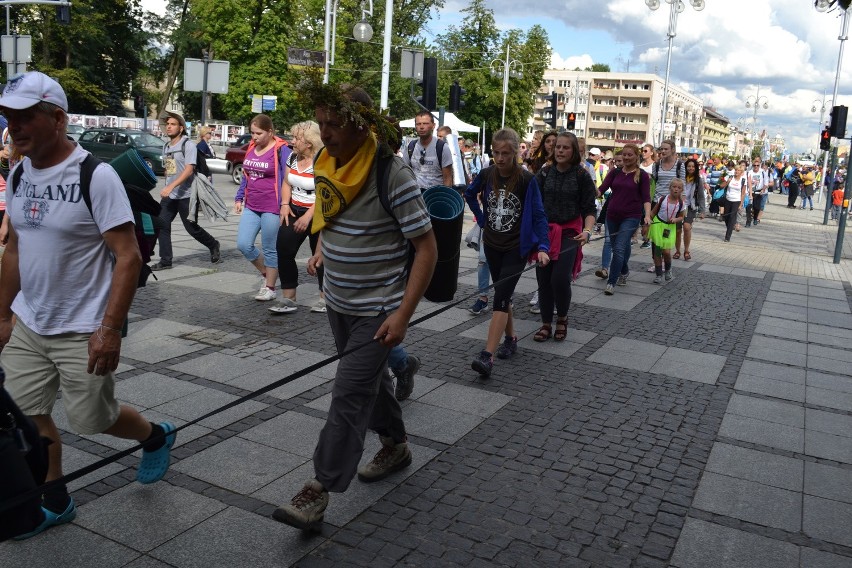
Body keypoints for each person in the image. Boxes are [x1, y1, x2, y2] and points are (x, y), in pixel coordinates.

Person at [0, 72, 176, 539]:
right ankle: (55, 500)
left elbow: (128, 255)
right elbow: (15, 247)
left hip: (83, 327)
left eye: (24, 117)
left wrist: (110, 329)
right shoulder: (18, 173)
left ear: (57, 119)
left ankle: (155, 434)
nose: (13, 128)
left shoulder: (93, 176)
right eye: (8, 118)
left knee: (93, 421)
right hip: (31, 323)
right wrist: (2, 313)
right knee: (27, 410)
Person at [272, 85, 437, 532]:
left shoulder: (391, 173)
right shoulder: (328, 164)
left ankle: (318, 490)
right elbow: (330, 212)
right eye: (320, 123)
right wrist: (324, 248)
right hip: (337, 302)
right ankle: (397, 445)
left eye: (334, 124)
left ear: (361, 124)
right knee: (369, 383)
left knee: (347, 392)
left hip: (378, 310)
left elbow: (426, 248)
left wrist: (402, 314)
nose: (325, 133)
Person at [464, 128, 550, 377]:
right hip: (492, 244)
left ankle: (487, 356)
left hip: (515, 247)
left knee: (500, 296)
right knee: (505, 293)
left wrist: (543, 247)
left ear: (515, 153)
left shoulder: (526, 180)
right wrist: (481, 218)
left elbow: (539, 215)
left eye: (505, 153)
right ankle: (511, 338)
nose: (500, 158)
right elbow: (470, 194)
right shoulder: (487, 173)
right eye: (496, 153)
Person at [532, 132, 596, 342]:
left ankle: (562, 318)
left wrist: (587, 231)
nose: (560, 150)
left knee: (559, 279)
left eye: (565, 147)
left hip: (570, 233)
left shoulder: (581, 175)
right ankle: (545, 323)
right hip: (545, 232)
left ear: (574, 151)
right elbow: (535, 204)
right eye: (557, 147)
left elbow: (589, 209)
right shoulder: (544, 173)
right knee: (544, 279)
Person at [150, 111, 221, 270]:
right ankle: (165, 260)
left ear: (181, 128)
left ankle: (213, 244)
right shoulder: (167, 146)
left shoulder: (188, 145)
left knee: (191, 229)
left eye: (173, 124)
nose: (169, 127)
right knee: (162, 225)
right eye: (167, 124)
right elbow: (170, 168)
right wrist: (167, 183)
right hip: (170, 195)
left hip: (187, 195)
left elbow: (189, 170)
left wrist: (171, 185)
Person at [234, 114, 292, 301]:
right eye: (252, 133)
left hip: (272, 207)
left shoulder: (282, 150)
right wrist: (239, 196)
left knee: (269, 248)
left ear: (270, 132)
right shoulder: (251, 147)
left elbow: (288, 179)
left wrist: (285, 204)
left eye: (258, 133)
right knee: (244, 244)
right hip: (252, 205)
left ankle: (270, 287)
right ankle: (267, 272)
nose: (254, 137)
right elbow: (246, 175)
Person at [270, 120, 324, 313]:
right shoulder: (292, 157)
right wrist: (285, 205)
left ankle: (324, 298)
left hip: (318, 213)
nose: (291, 141)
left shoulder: (321, 160)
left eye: (296, 138)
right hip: (294, 209)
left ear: (309, 142)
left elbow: (324, 193)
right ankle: (288, 297)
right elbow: (287, 183)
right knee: (283, 248)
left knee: (320, 256)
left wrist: (309, 216)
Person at [600, 144, 651, 295]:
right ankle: (625, 270)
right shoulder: (615, 173)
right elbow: (601, 189)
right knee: (621, 246)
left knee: (618, 248)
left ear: (636, 156)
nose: (627, 157)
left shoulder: (642, 175)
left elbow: (646, 198)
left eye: (630, 155)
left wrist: (647, 215)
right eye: (625, 155)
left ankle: (611, 282)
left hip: (631, 216)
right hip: (612, 215)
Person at [649, 178, 686, 284]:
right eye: (674, 187)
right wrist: (647, 222)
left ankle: (668, 269)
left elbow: (681, 217)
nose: (676, 189)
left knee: (666, 251)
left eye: (679, 188)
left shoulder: (681, 203)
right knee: (657, 251)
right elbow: (653, 212)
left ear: (681, 190)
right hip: (657, 225)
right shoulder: (663, 199)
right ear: (670, 188)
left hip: (669, 228)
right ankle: (658, 274)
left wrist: (676, 219)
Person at [403, 110, 453, 188]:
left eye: (425, 123)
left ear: (433, 126)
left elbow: (448, 179)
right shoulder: (410, 147)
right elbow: (404, 175)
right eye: (418, 124)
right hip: (416, 197)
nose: (422, 127)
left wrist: (445, 197)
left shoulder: (442, 147)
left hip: (435, 197)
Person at [673, 158, 705, 261]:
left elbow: (701, 196)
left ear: (696, 168)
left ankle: (686, 251)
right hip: (678, 206)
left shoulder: (698, 180)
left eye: (693, 166)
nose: (691, 168)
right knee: (677, 230)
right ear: (685, 168)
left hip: (690, 207)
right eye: (689, 166)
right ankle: (677, 250)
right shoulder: (680, 178)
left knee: (686, 227)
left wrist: (702, 210)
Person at [718, 160, 747, 242]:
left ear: (741, 172)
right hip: (728, 199)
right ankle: (730, 227)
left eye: (739, 171)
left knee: (732, 217)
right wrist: (727, 182)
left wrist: (740, 204)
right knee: (726, 217)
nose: (737, 172)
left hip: (736, 201)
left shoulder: (743, 180)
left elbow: (743, 193)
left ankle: (728, 236)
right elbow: (721, 186)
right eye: (736, 170)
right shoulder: (730, 177)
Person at [746, 157, 768, 227]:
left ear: (759, 165)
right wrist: (749, 193)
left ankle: (755, 218)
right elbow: (748, 182)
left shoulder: (762, 172)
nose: (756, 167)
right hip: (751, 191)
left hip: (759, 192)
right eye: (754, 165)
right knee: (749, 207)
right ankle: (748, 222)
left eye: (757, 165)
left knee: (757, 207)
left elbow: (766, 183)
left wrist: (763, 189)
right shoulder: (750, 172)